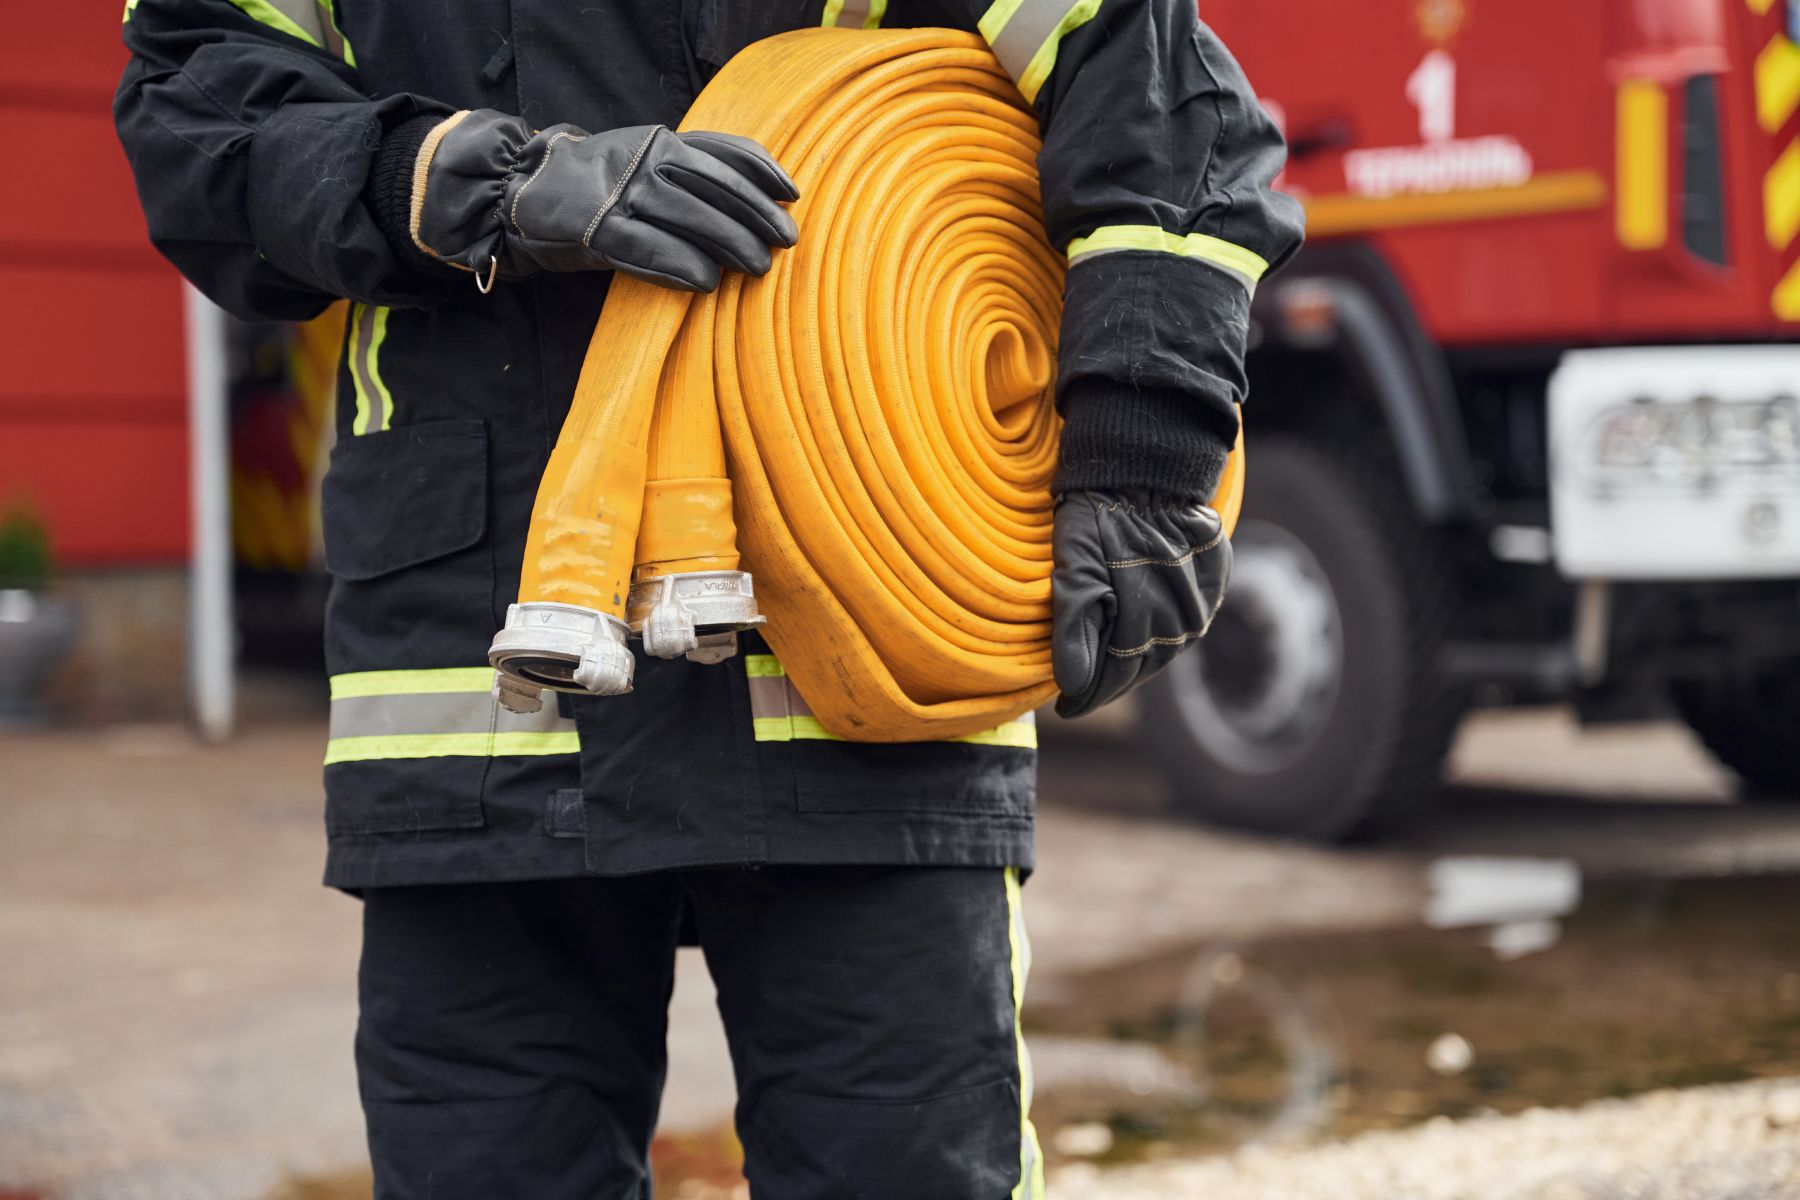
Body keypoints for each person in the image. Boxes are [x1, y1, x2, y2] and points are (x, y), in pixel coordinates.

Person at [115, 2, 1303, 1195]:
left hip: (861, 654)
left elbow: (1139, 75)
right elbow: (200, 109)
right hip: (484, 700)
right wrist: (475, 182)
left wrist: (1146, 448)